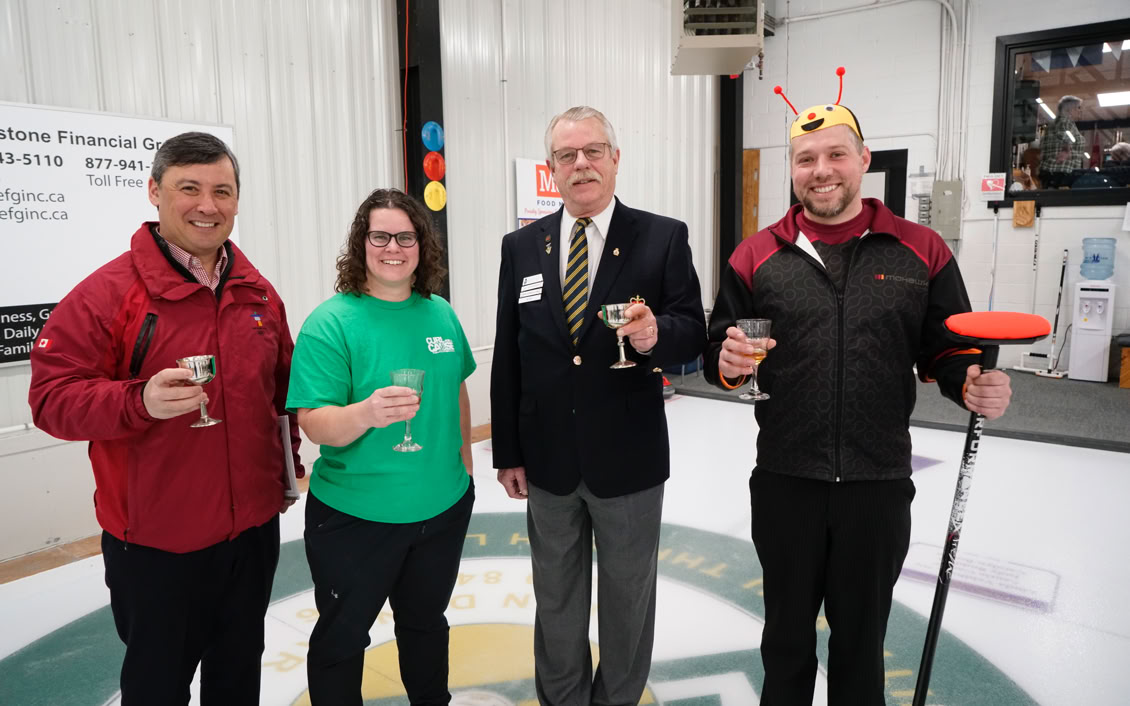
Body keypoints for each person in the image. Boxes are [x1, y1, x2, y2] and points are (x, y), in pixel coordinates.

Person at [705, 93, 1013, 704]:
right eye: (804, 159)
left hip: (877, 480)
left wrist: (971, 381)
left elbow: (948, 347)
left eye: (835, 154)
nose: (820, 170)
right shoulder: (755, 253)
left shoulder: (921, 249)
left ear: (863, 159)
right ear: (792, 169)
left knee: (861, 642)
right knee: (786, 642)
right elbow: (724, 346)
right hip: (786, 478)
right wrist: (728, 364)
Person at [28, 131, 303, 704]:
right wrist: (137, 402)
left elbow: (282, 398)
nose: (208, 205)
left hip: (251, 531)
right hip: (155, 545)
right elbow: (50, 399)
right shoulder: (107, 294)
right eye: (189, 189)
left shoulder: (259, 296)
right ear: (154, 192)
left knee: (237, 677)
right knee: (158, 685)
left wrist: (286, 472)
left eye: (222, 191)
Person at [491, 106, 706, 705]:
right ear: (552, 169)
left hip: (629, 461)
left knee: (627, 600)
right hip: (548, 460)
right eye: (566, 155)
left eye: (592, 151)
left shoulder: (662, 236)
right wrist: (507, 449)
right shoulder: (521, 247)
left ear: (615, 158)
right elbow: (511, 353)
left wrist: (654, 334)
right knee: (555, 599)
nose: (580, 163)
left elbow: (694, 329)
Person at [288, 188, 475, 705]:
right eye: (380, 236)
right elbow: (315, 423)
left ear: (422, 245)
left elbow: (456, 385)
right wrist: (365, 414)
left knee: (425, 625)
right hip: (355, 518)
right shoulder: (331, 323)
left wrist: (464, 468)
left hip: (440, 511)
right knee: (342, 639)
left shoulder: (440, 314)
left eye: (406, 236)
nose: (393, 247)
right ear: (362, 243)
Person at [1038, 95, 1084, 189]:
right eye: (1078, 107)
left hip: (1053, 172)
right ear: (1069, 109)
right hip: (1060, 173)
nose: (1080, 110)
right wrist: (1066, 150)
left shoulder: (1056, 123)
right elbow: (1065, 134)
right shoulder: (1065, 121)